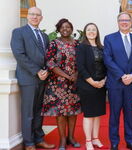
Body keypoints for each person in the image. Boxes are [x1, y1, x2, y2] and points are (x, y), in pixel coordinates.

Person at [10, 7, 55, 150]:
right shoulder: (19, 32)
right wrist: (37, 71)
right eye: (32, 14)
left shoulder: (44, 36)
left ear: (41, 18)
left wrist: (46, 70)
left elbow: (48, 57)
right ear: (27, 16)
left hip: (43, 78)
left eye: (37, 15)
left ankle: (39, 139)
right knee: (28, 112)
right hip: (28, 78)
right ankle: (29, 143)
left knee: (39, 111)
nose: (35, 17)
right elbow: (19, 54)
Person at [103, 12, 132, 150]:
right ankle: (114, 142)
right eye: (121, 20)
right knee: (114, 114)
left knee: (129, 114)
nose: (124, 22)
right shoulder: (109, 39)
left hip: (131, 83)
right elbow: (108, 59)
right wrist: (121, 75)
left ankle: (130, 141)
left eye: (127, 20)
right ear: (118, 22)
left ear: (131, 22)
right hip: (115, 83)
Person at [41, 18, 81, 150]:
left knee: (72, 111)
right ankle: (63, 139)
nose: (65, 29)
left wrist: (75, 75)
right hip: (57, 84)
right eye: (62, 27)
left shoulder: (77, 44)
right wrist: (66, 76)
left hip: (73, 83)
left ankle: (71, 137)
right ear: (58, 29)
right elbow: (50, 62)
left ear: (72, 29)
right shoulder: (54, 43)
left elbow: (82, 62)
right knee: (61, 112)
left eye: (68, 27)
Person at [76, 23, 107, 150]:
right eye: (89, 30)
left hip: (101, 85)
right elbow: (81, 67)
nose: (91, 32)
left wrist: (104, 80)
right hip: (87, 85)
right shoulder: (82, 47)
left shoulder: (102, 47)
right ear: (85, 32)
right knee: (89, 114)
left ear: (97, 32)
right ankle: (88, 141)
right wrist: (92, 82)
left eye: (94, 29)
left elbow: (106, 65)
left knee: (97, 113)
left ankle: (96, 138)